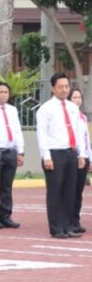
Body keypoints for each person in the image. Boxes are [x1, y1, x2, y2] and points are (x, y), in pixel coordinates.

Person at [36, 73, 85, 238]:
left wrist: (81, 154)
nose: (64, 90)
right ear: (53, 88)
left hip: (71, 152)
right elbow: (42, 135)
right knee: (55, 191)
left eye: (66, 86)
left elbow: (78, 132)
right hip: (55, 154)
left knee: (70, 191)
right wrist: (46, 157)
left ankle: (68, 226)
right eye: (60, 87)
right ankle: (56, 228)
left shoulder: (73, 107)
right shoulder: (46, 109)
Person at [0, 81, 24, 229]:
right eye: (0, 92)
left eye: (6, 92)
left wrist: (20, 151)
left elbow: (17, 131)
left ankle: (6, 215)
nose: (3, 94)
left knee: (7, 187)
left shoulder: (12, 110)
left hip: (10, 152)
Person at [68, 88, 89, 234]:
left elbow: (86, 138)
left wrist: (89, 157)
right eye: (74, 97)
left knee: (79, 191)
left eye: (79, 97)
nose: (77, 100)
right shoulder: (68, 116)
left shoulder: (82, 116)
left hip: (84, 156)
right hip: (73, 156)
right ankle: (69, 221)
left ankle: (75, 220)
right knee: (71, 191)